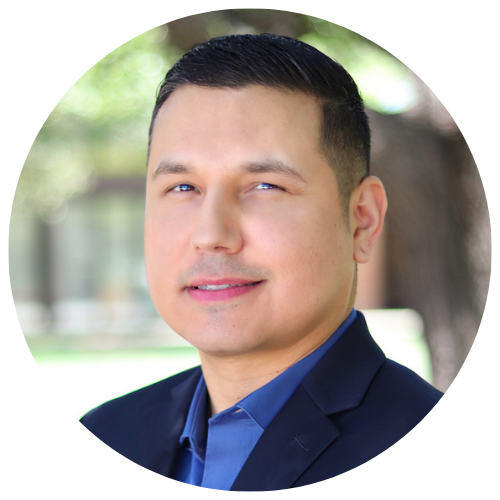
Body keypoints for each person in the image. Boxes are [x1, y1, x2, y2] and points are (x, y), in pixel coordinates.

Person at [80, 34, 443, 490]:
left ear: (362, 221)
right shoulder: (109, 431)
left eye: (266, 186)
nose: (211, 235)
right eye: (183, 188)